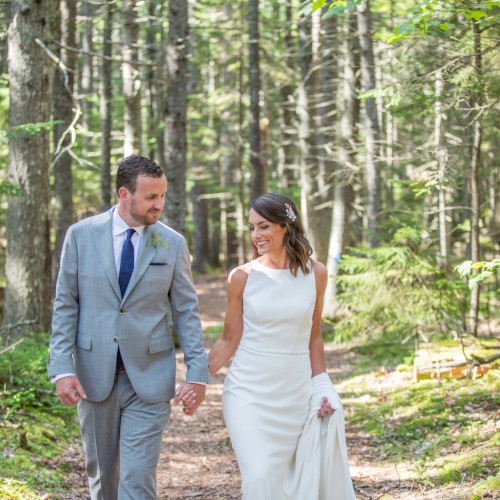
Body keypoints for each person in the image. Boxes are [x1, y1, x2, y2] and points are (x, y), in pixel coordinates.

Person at [47, 155, 209, 500]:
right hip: (93, 377)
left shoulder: (172, 243)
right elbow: (65, 305)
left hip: (149, 377)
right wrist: (61, 368)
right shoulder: (80, 236)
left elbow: (186, 312)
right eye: (151, 197)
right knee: (103, 478)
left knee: (137, 479)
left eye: (162, 196)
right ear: (124, 193)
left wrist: (197, 372)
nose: (159, 204)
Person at [208, 193, 356, 499]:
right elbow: (228, 340)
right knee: (260, 477)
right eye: (251, 228)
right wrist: (197, 378)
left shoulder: (316, 273)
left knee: (292, 481)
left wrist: (323, 385)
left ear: (285, 226)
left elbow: (313, 336)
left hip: (296, 393)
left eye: (263, 227)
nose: (256, 235)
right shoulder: (242, 277)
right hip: (248, 392)